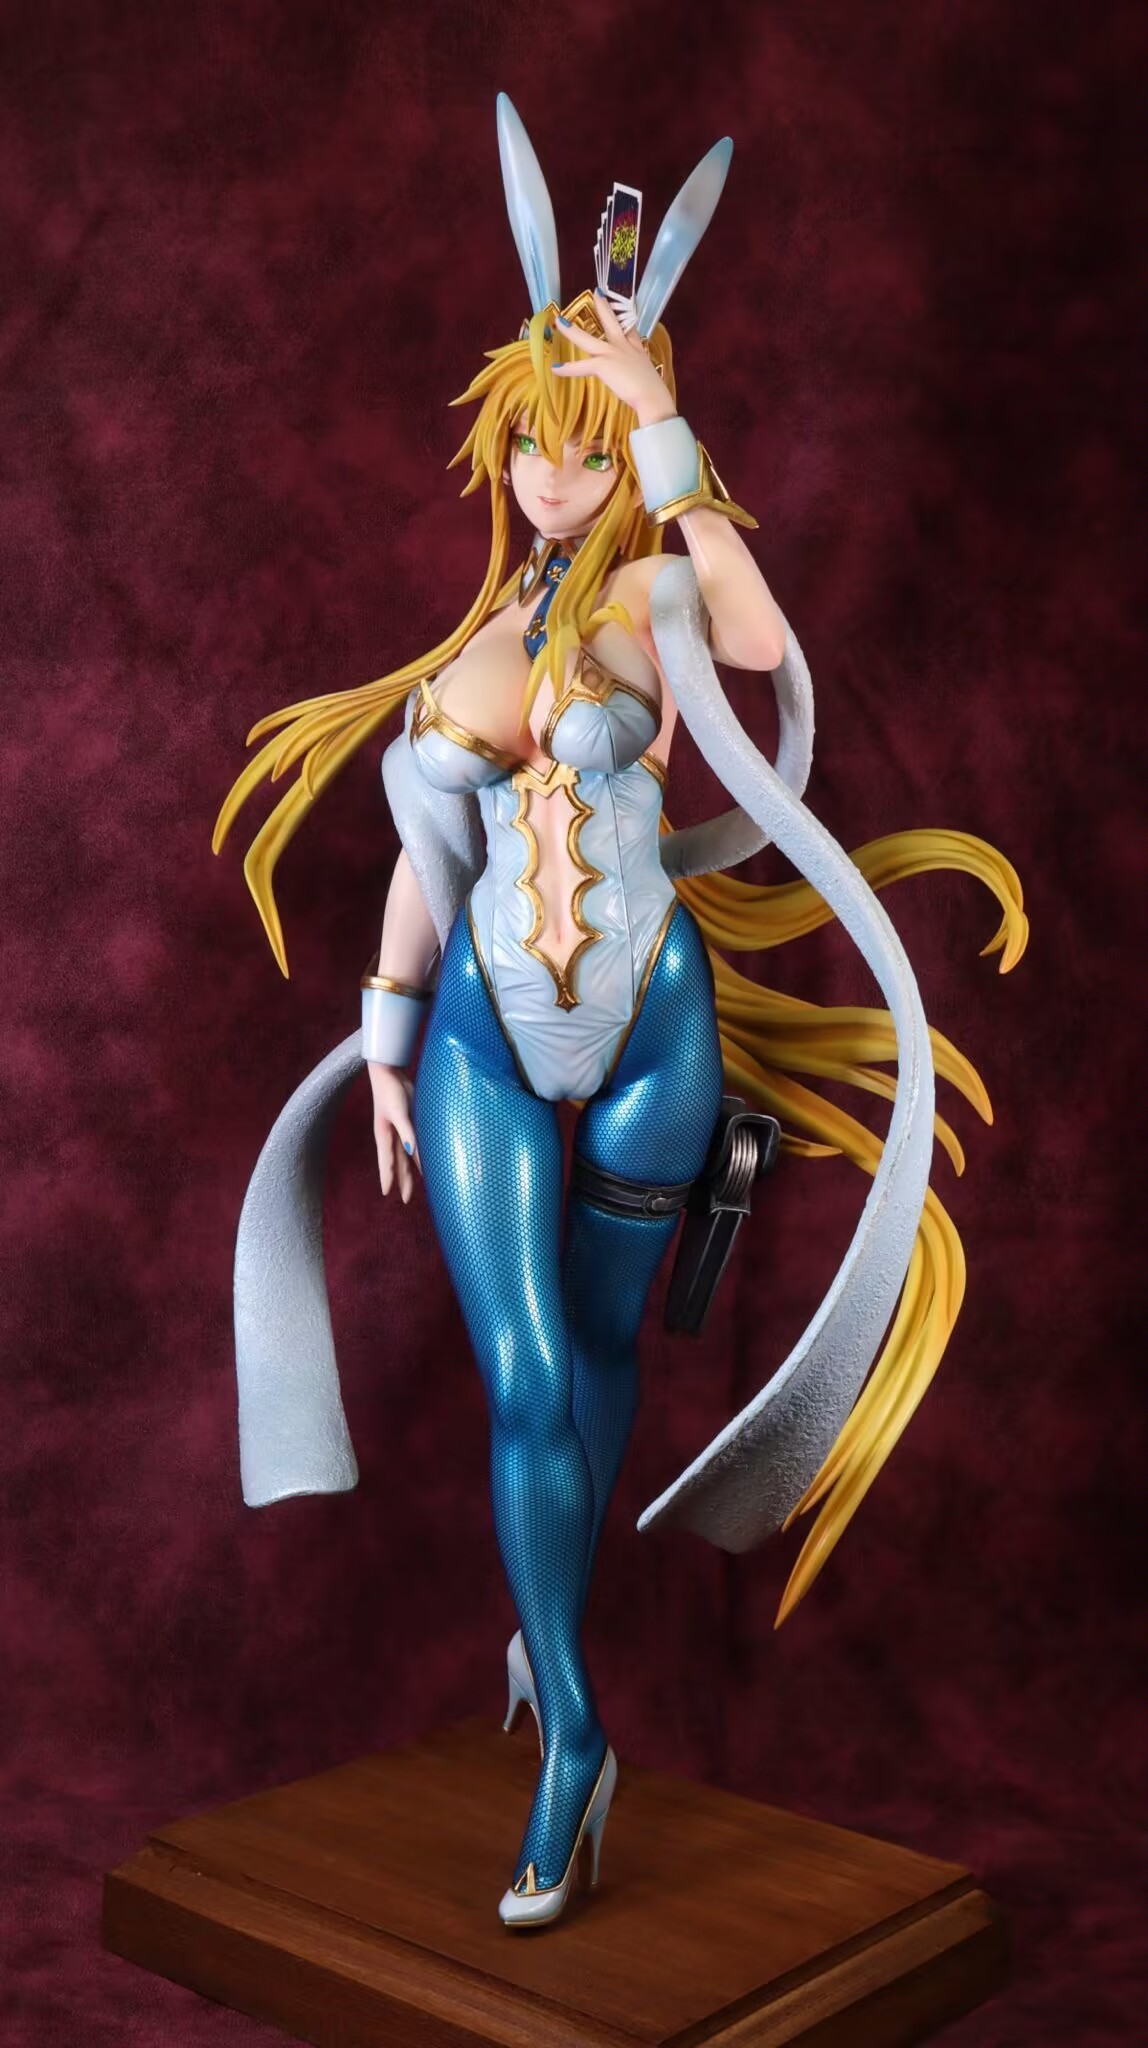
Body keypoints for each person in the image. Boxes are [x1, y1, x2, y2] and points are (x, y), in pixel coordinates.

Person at [212, 96, 1028, 1929]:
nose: (553, 476)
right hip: (486, 1039)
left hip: (656, 1026)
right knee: (524, 1379)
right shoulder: (472, 653)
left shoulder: (661, 586)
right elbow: (427, 857)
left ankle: (543, 1640)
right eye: (537, 442)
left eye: (583, 448)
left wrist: (658, 414)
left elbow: (758, 640)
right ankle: (574, 1731)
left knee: (595, 1364)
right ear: (501, 442)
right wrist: (390, 1043)